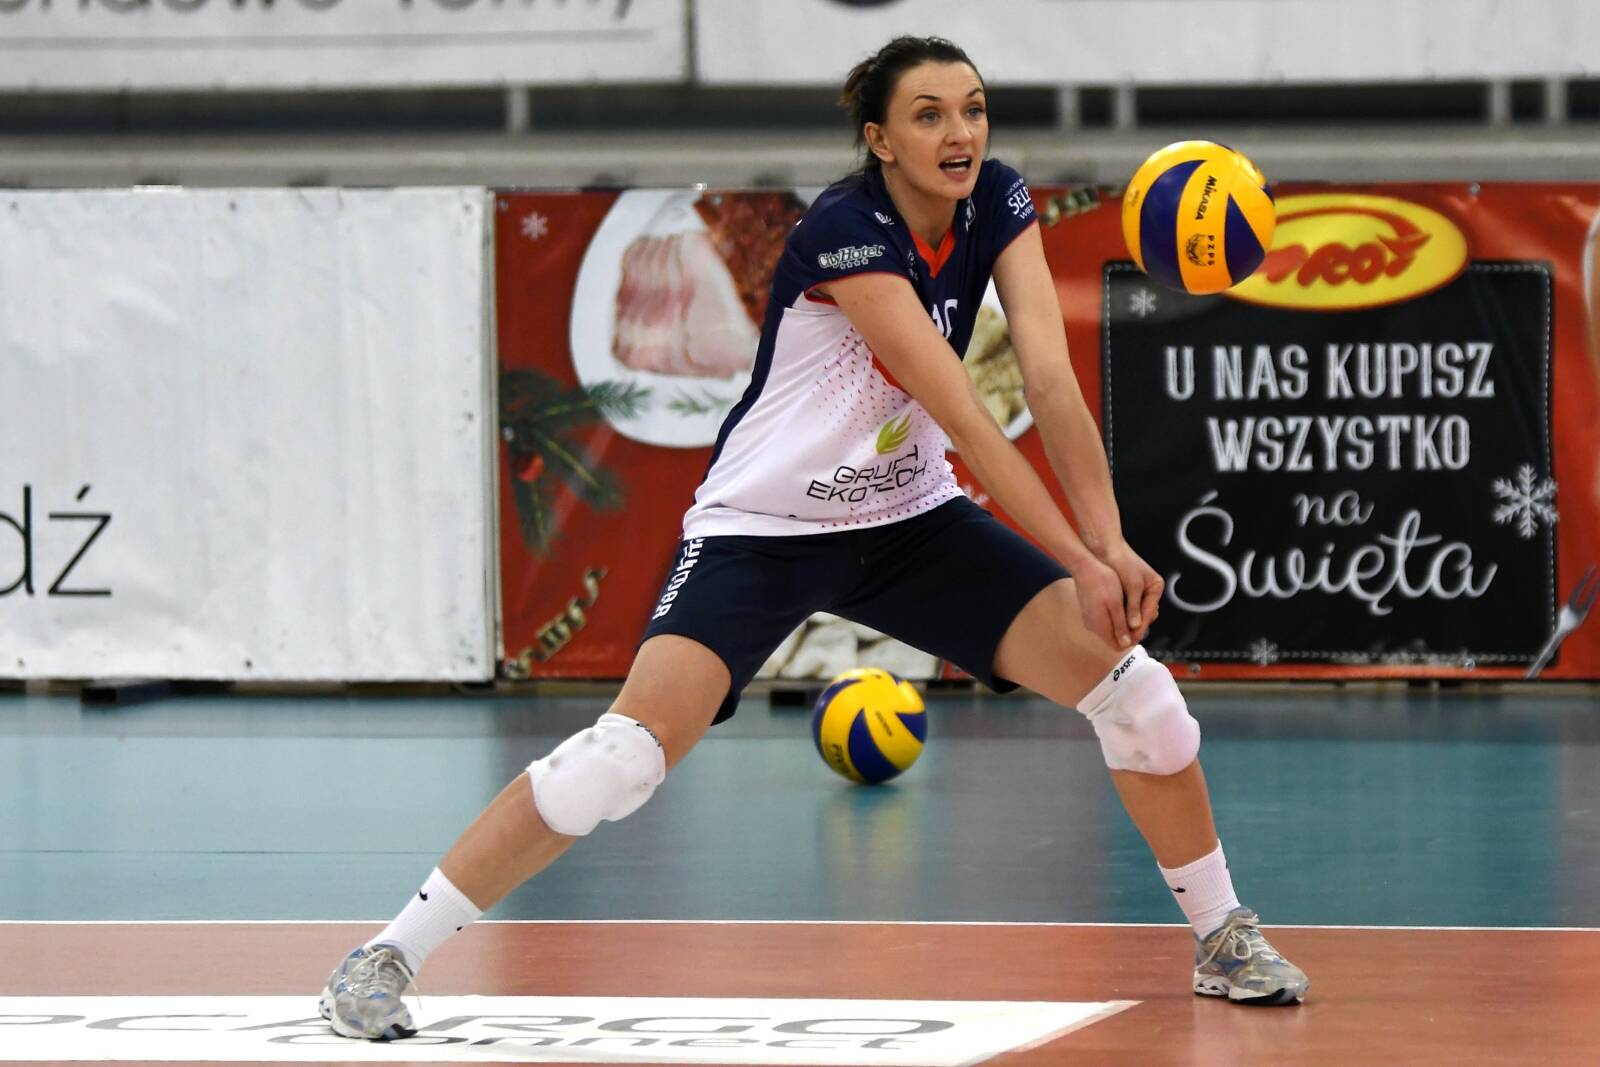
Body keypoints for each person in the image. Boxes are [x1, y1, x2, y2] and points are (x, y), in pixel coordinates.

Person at [319, 34, 1309, 1040]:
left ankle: (1222, 936)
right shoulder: (846, 232)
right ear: (879, 140)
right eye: (929, 115)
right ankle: (384, 954)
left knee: (1141, 699)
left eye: (972, 108)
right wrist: (1080, 560)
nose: (960, 133)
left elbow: (1048, 381)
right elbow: (967, 415)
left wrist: (1110, 542)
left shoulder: (1001, 199)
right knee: (617, 760)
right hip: (765, 528)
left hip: (910, 519)